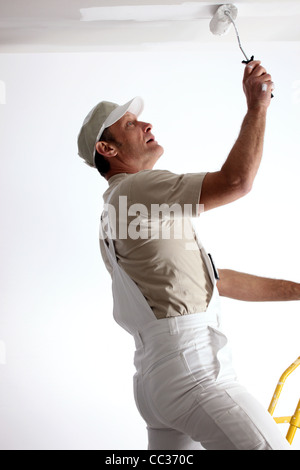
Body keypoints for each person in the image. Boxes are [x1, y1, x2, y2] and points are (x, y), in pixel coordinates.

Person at [77, 61, 297, 450]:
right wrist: (257, 107)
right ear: (106, 149)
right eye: (130, 124)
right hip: (192, 371)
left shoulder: (118, 209)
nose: (146, 126)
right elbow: (236, 181)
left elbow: (217, 280)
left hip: (155, 382)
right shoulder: (139, 189)